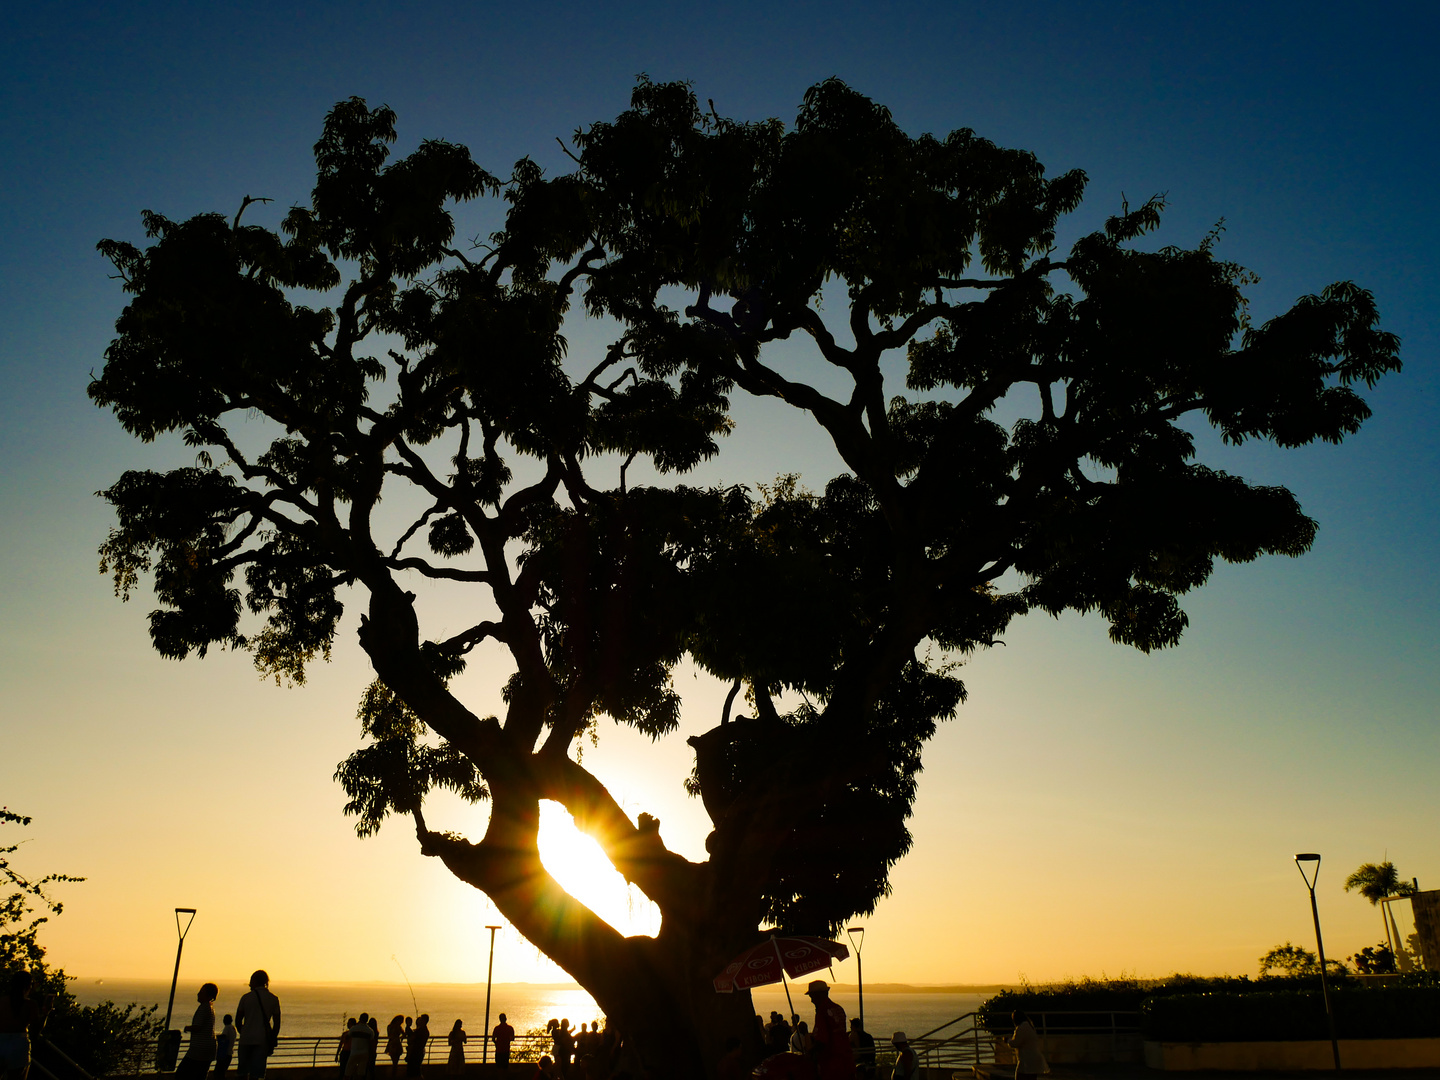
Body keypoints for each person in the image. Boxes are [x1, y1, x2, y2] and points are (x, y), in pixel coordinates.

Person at [0, 971, 50, 1080]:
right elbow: (36, 1030)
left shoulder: (2, 1001)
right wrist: (46, 1013)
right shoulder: (30, 1005)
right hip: (19, 1042)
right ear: (28, 986)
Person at [235, 971, 281, 1080]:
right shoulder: (273, 999)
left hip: (246, 1038)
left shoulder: (246, 998)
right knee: (257, 1074)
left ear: (254, 981)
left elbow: (238, 1019)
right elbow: (277, 1023)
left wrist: (244, 1031)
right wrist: (272, 1037)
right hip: (262, 1039)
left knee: (242, 1071)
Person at [803, 982, 852, 1080]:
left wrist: (809, 1053)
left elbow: (822, 1040)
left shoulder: (822, 1011)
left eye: (812, 996)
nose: (811, 1000)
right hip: (846, 1060)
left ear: (819, 995)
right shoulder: (838, 1008)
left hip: (831, 1063)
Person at [176, 983, 219, 1080]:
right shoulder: (209, 1007)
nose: (198, 994)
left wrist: (187, 1028)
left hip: (199, 1049)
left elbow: (198, 1027)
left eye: (201, 992)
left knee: (182, 1073)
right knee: (200, 1074)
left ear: (207, 995)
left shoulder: (204, 1008)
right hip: (207, 1048)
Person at [1005, 1010, 1047, 1080]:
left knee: (1019, 1077)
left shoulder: (1021, 1028)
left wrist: (1008, 1040)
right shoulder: (1029, 1026)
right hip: (1033, 1059)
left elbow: (1015, 1043)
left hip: (1026, 1061)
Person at [348, 1014, 376, 1079]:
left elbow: (348, 1036)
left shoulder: (354, 1028)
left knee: (348, 1072)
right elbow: (372, 1043)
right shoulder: (370, 1030)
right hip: (364, 1053)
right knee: (361, 1073)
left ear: (359, 1018)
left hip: (354, 1052)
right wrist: (373, 1053)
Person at [216, 1014, 238, 1079]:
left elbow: (224, 1036)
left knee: (218, 1073)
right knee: (222, 1072)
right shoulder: (233, 1028)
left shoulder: (227, 1027)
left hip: (224, 1054)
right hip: (230, 1053)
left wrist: (215, 1037)